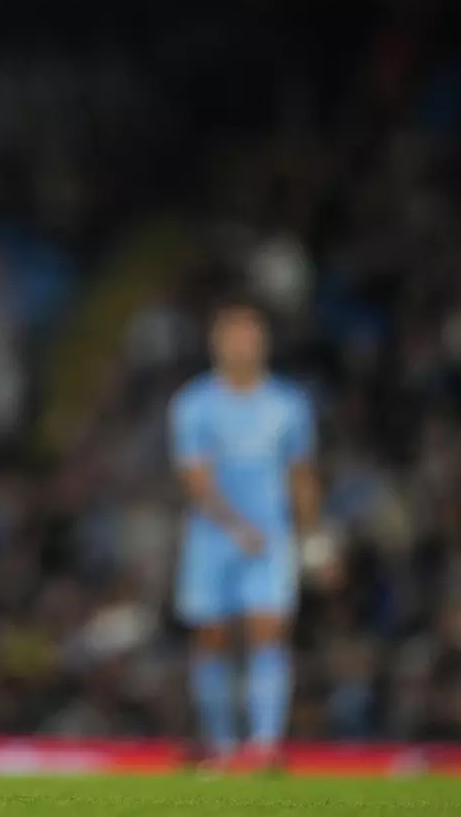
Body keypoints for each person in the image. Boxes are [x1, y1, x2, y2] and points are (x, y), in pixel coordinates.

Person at [169, 299, 321, 771]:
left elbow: (301, 474)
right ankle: (220, 743)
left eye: (250, 336)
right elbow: (194, 479)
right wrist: (236, 527)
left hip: (271, 538)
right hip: (213, 537)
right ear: (217, 344)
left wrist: (313, 538)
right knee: (211, 635)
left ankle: (264, 744)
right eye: (234, 336)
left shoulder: (289, 405)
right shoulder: (194, 404)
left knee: (268, 631)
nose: (242, 345)